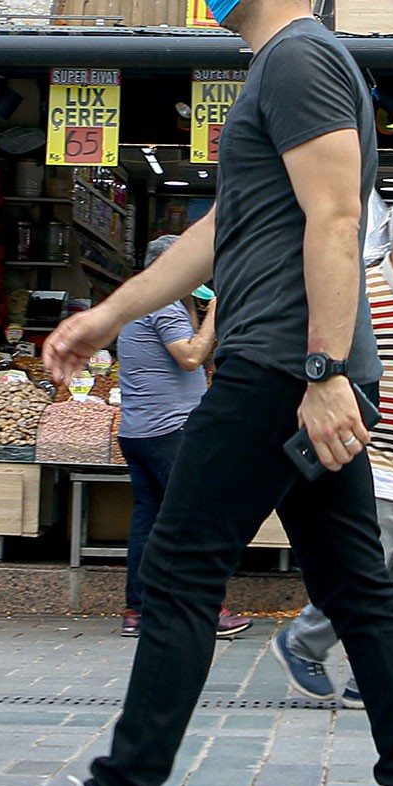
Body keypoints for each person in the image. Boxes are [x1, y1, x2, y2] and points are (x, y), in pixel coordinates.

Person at [0, 0, 393, 786]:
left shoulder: (299, 58)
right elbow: (217, 234)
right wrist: (107, 314)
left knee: (182, 564)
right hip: (291, 364)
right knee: (358, 590)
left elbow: (337, 221)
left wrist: (326, 372)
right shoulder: (273, 75)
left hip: (282, 365)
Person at [272, 190, 393, 706]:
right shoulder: (361, 292)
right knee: (366, 564)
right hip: (369, 455)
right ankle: (304, 640)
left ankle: (379, 670)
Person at [114, 234, 250, 641]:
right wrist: (216, 310)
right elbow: (191, 355)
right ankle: (205, 608)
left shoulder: (138, 302)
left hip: (138, 430)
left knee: (150, 521)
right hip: (170, 430)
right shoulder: (164, 304)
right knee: (194, 520)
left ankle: (137, 610)